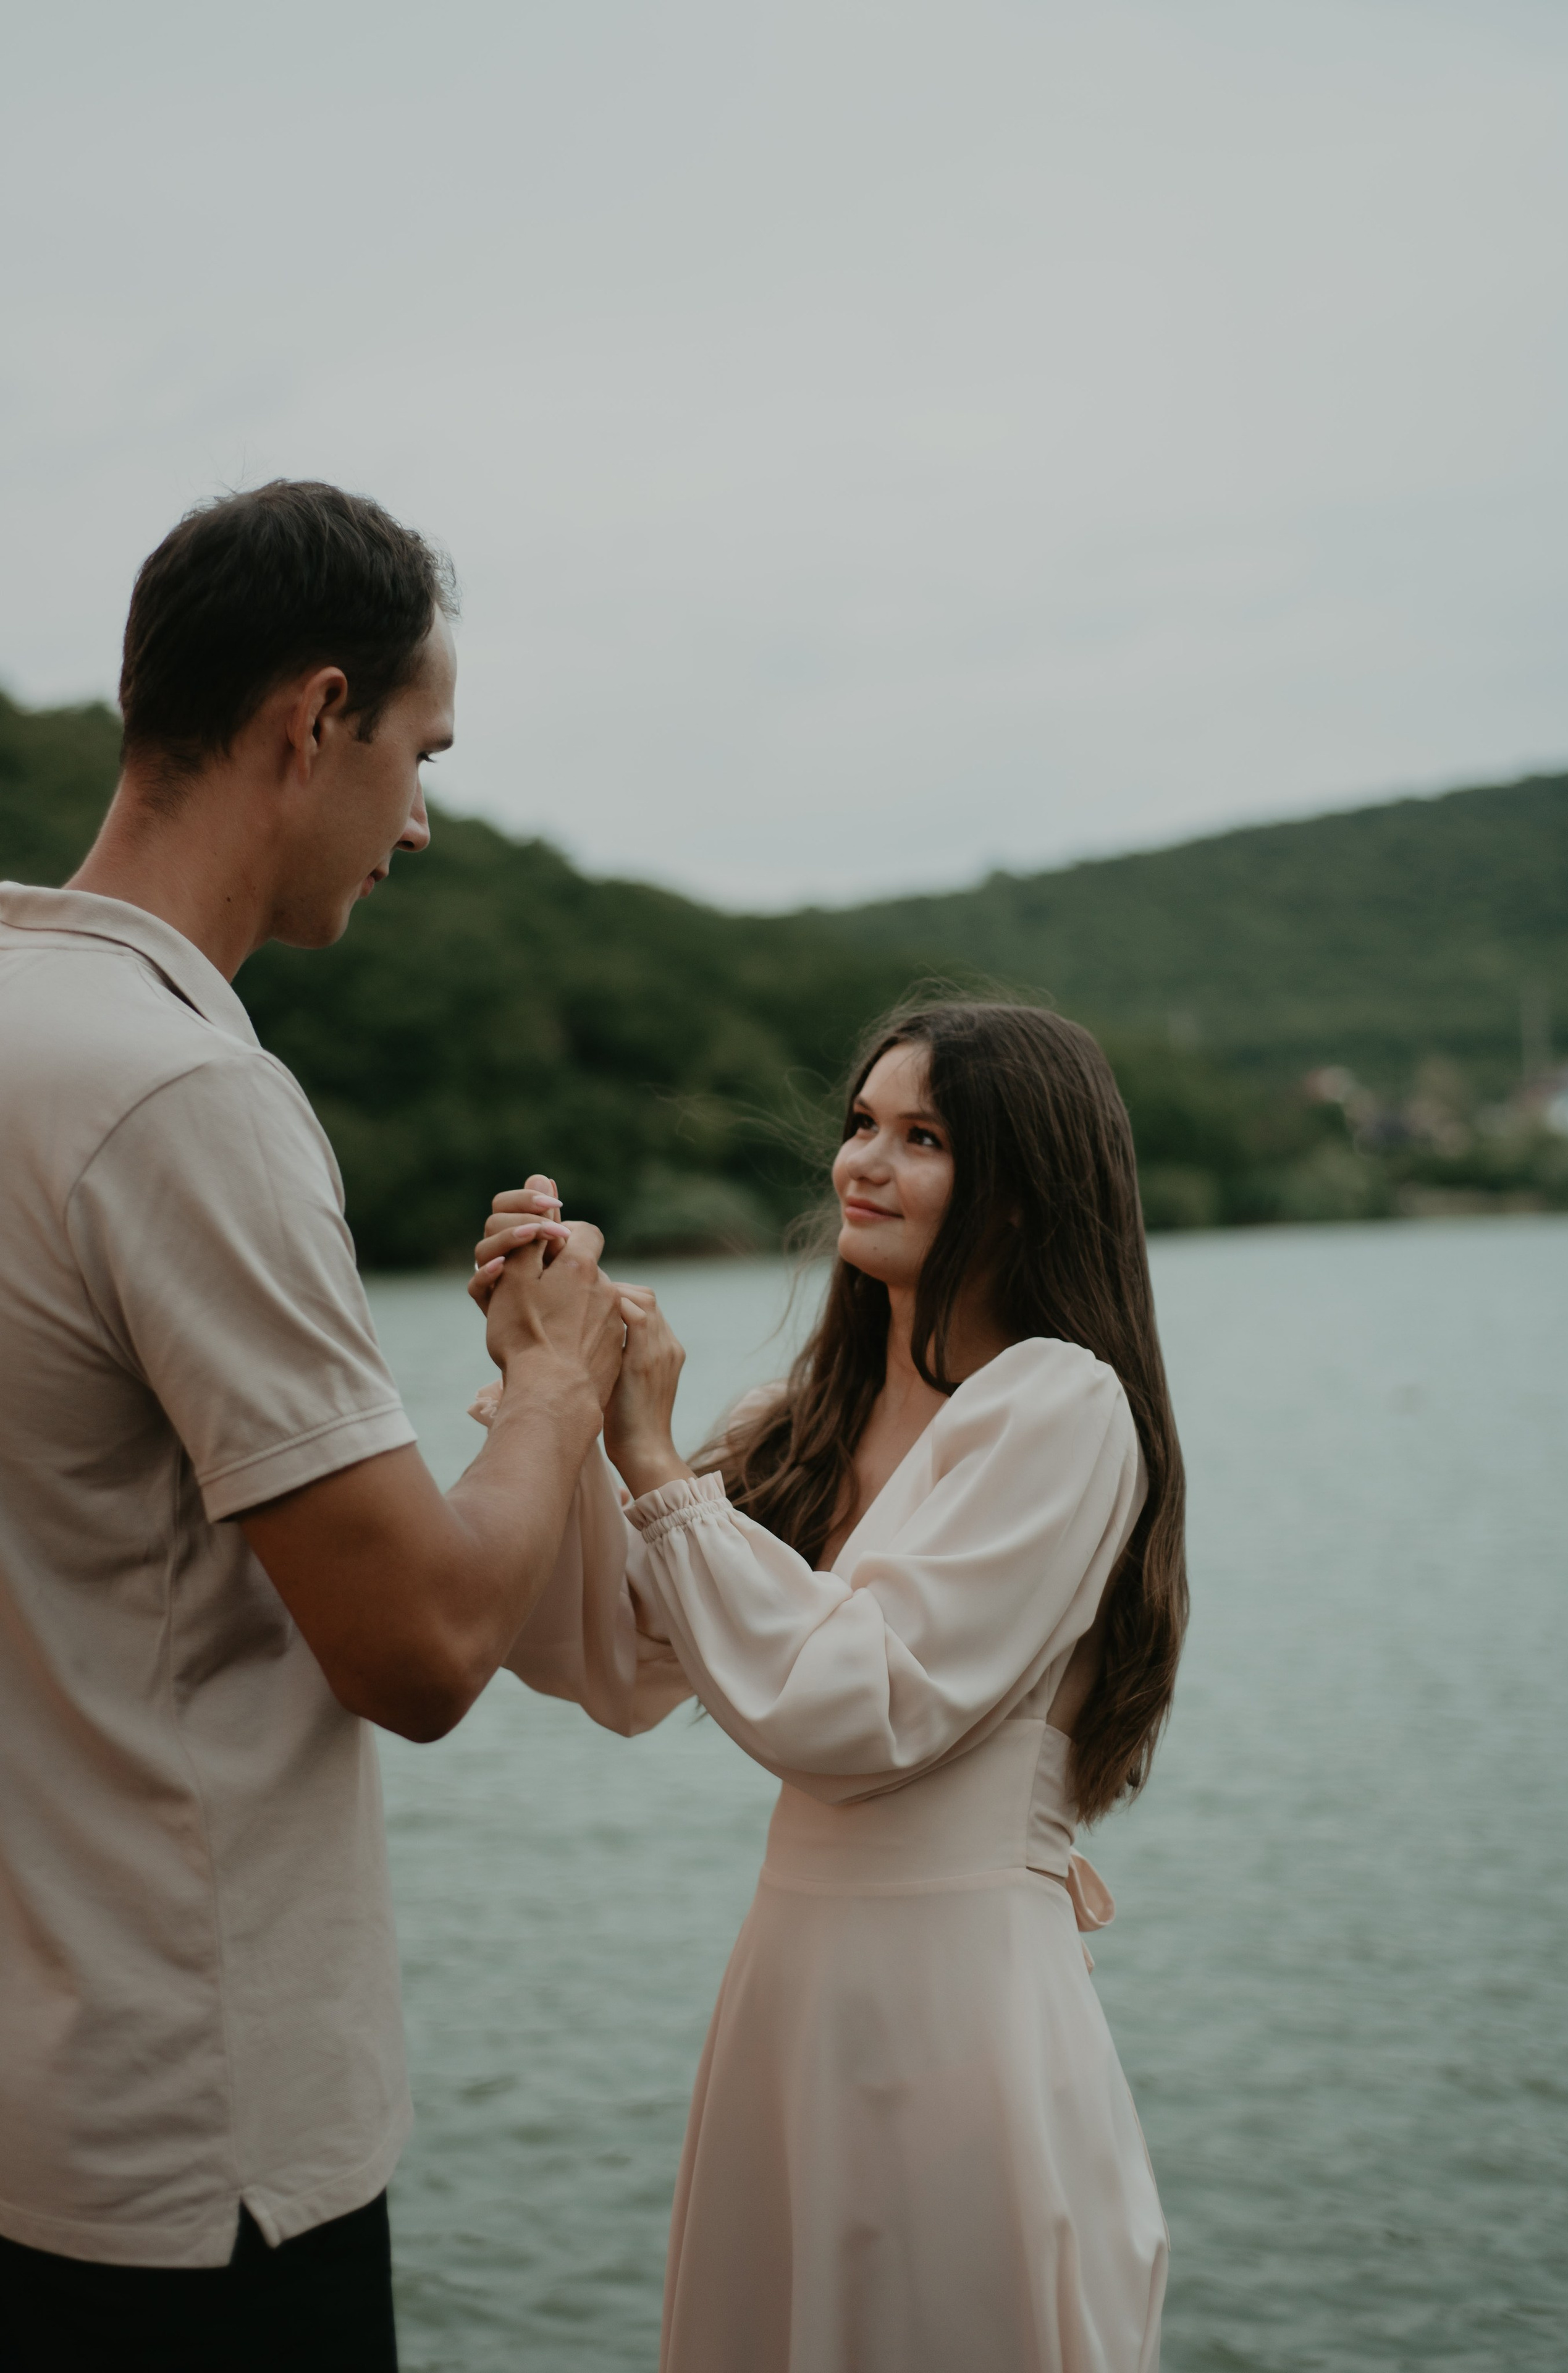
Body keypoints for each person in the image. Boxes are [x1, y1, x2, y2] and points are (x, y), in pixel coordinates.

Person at [0, 482, 625, 2372]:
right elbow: (424, 1647)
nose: (423, 818)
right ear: (314, 718)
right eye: (420, 754)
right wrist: (559, 1377)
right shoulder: (183, 1094)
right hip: (194, 2157)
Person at [477, 997, 1185, 2372]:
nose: (863, 1162)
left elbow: (855, 1710)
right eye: (860, 1124)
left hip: (955, 2012)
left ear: (1026, 1192)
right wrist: (550, 1385)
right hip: (789, 2002)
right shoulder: (801, 1429)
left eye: (921, 1137)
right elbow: (603, 1659)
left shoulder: (1061, 1407)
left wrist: (654, 1460)